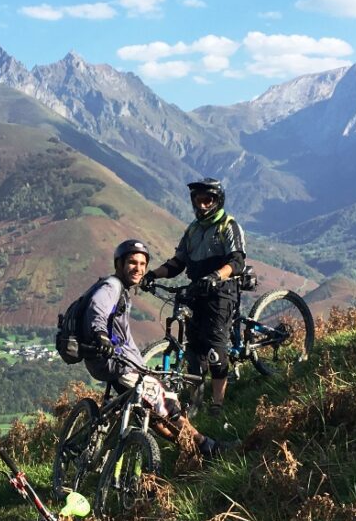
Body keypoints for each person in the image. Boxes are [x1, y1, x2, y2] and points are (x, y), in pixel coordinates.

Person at [83, 238, 228, 458]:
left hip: (115, 361)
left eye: (143, 264)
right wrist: (101, 335)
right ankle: (206, 447)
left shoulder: (120, 288)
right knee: (166, 401)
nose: (138, 269)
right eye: (132, 262)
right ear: (119, 264)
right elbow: (97, 309)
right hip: (115, 362)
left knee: (153, 406)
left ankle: (190, 449)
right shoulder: (111, 287)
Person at [142, 178, 246, 417]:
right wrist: (153, 275)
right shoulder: (192, 230)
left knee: (216, 348)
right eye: (198, 200)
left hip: (222, 291)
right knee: (195, 348)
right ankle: (195, 402)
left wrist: (216, 276)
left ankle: (218, 403)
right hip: (197, 290)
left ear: (217, 201)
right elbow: (177, 263)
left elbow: (237, 261)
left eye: (207, 200)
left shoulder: (228, 226)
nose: (202, 205)